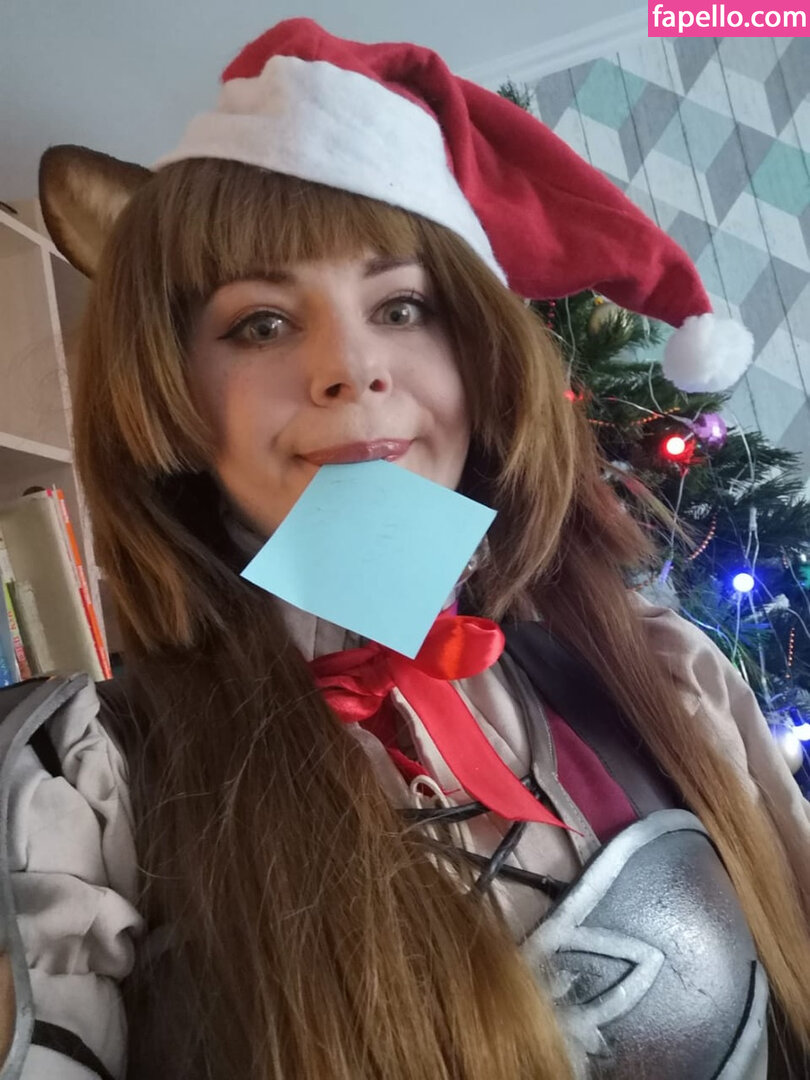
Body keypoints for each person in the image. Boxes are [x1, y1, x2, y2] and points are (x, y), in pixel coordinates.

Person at [0, 16, 807, 1080]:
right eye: (260, 324)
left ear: (478, 357)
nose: (352, 368)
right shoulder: (82, 793)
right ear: (177, 397)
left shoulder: (661, 673)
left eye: (403, 306)